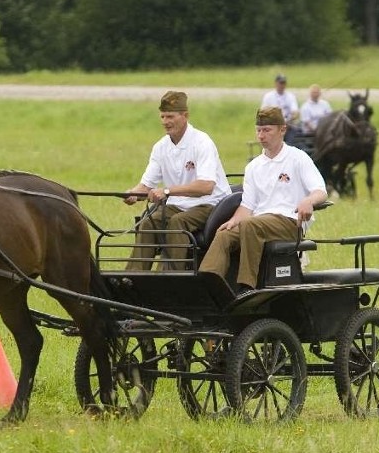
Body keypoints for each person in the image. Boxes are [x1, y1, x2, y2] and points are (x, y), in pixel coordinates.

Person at [199, 106, 328, 295]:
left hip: (289, 222)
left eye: (267, 130)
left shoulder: (297, 158)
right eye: (258, 130)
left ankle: (246, 287)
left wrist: (309, 201)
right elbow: (247, 206)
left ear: (282, 130)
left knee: (251, 225)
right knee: (224, 234)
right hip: (258, 223)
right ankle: (208, 285)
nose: (261, 135)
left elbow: (321, 191)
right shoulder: (253, 167)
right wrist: (233, 222)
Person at [125, 90, 231, 271]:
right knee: (149, 222)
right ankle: (133, 278)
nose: (165, 122)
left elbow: (206, 186)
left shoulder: (202, 142)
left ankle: (168, 277)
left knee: (178, 222)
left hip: (210, 204)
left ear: (185, 116)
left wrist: (167, 191)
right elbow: (146, 185)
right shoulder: (160, 147)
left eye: (170, 116)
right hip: (178, 203)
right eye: (163, 117)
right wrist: (133, 193)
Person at [261, 74, 299, 143]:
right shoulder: (268, 97)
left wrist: (290, 119)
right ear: (276, 83)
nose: (282, 85)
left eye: (284, 83)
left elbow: (295, 112)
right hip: (273, 125)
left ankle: (288, 148)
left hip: (288, 125)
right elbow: (263, 114)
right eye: (280, 83)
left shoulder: (291, 96)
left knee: (294, 132)